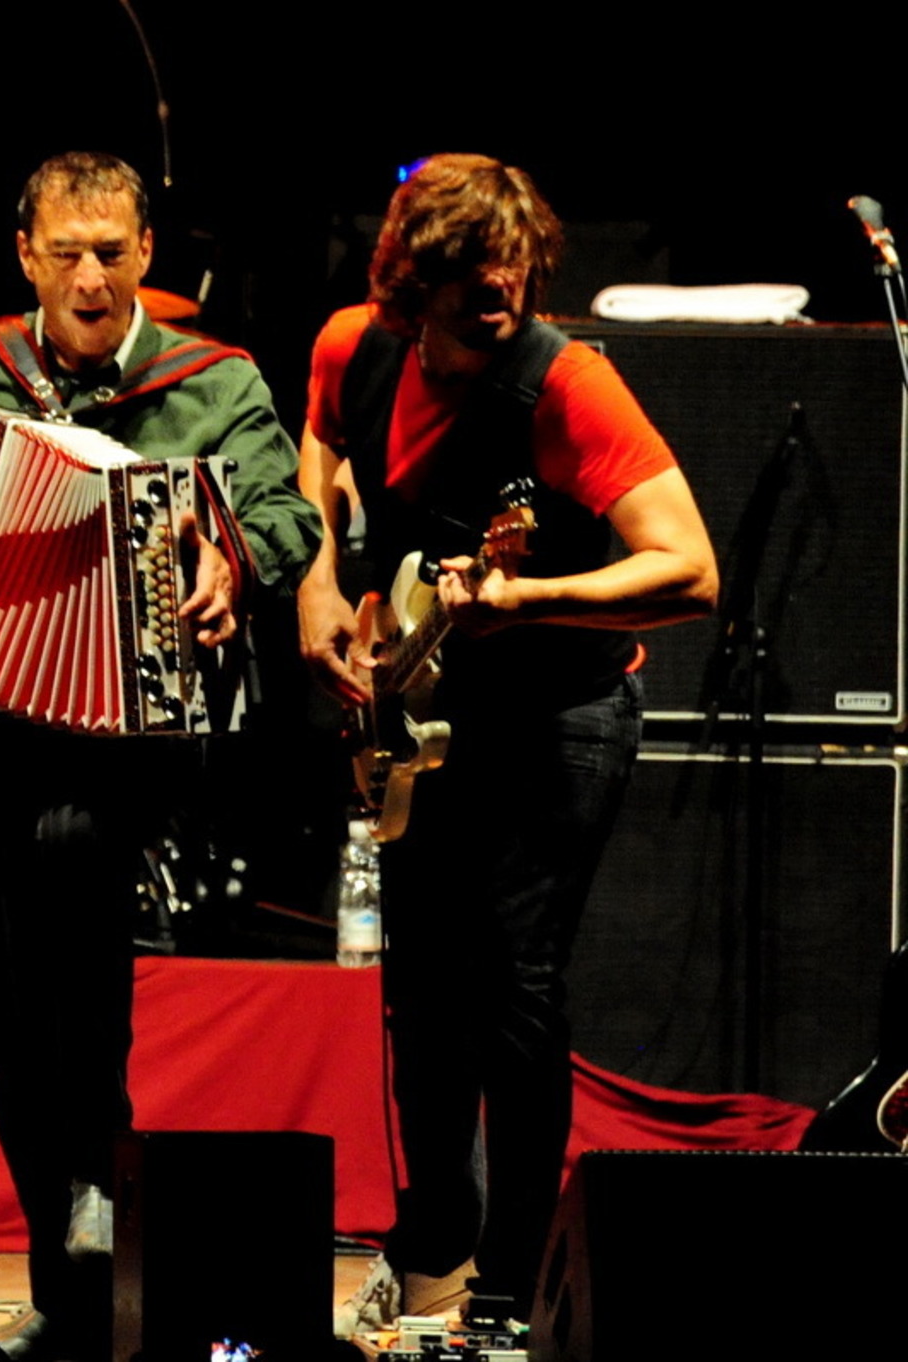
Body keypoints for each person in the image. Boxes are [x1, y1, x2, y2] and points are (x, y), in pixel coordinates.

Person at [0, 151, 321, 1360]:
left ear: (145, 253)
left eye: (110, 254)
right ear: (24, 256)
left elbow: (288, 517)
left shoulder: (212, 381)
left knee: (75, 889)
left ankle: (91, 1198)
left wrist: (228, 555)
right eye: (64, 253)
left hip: (138, 723)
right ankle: (68, 1256)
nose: (88, 278)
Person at [297, 153, 718, 1335]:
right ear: (407, 279)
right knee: (422, 996)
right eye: (466, 271)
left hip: (558, 716)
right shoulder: (352, 348)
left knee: (513, 989)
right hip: (425, 709)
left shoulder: (565, 387)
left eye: (511, 266)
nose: (495, 288)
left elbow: (687, 567)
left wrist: (525, 601)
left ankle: (511, 1290)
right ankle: (430, 1256)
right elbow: (316, 452)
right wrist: (318, 581)